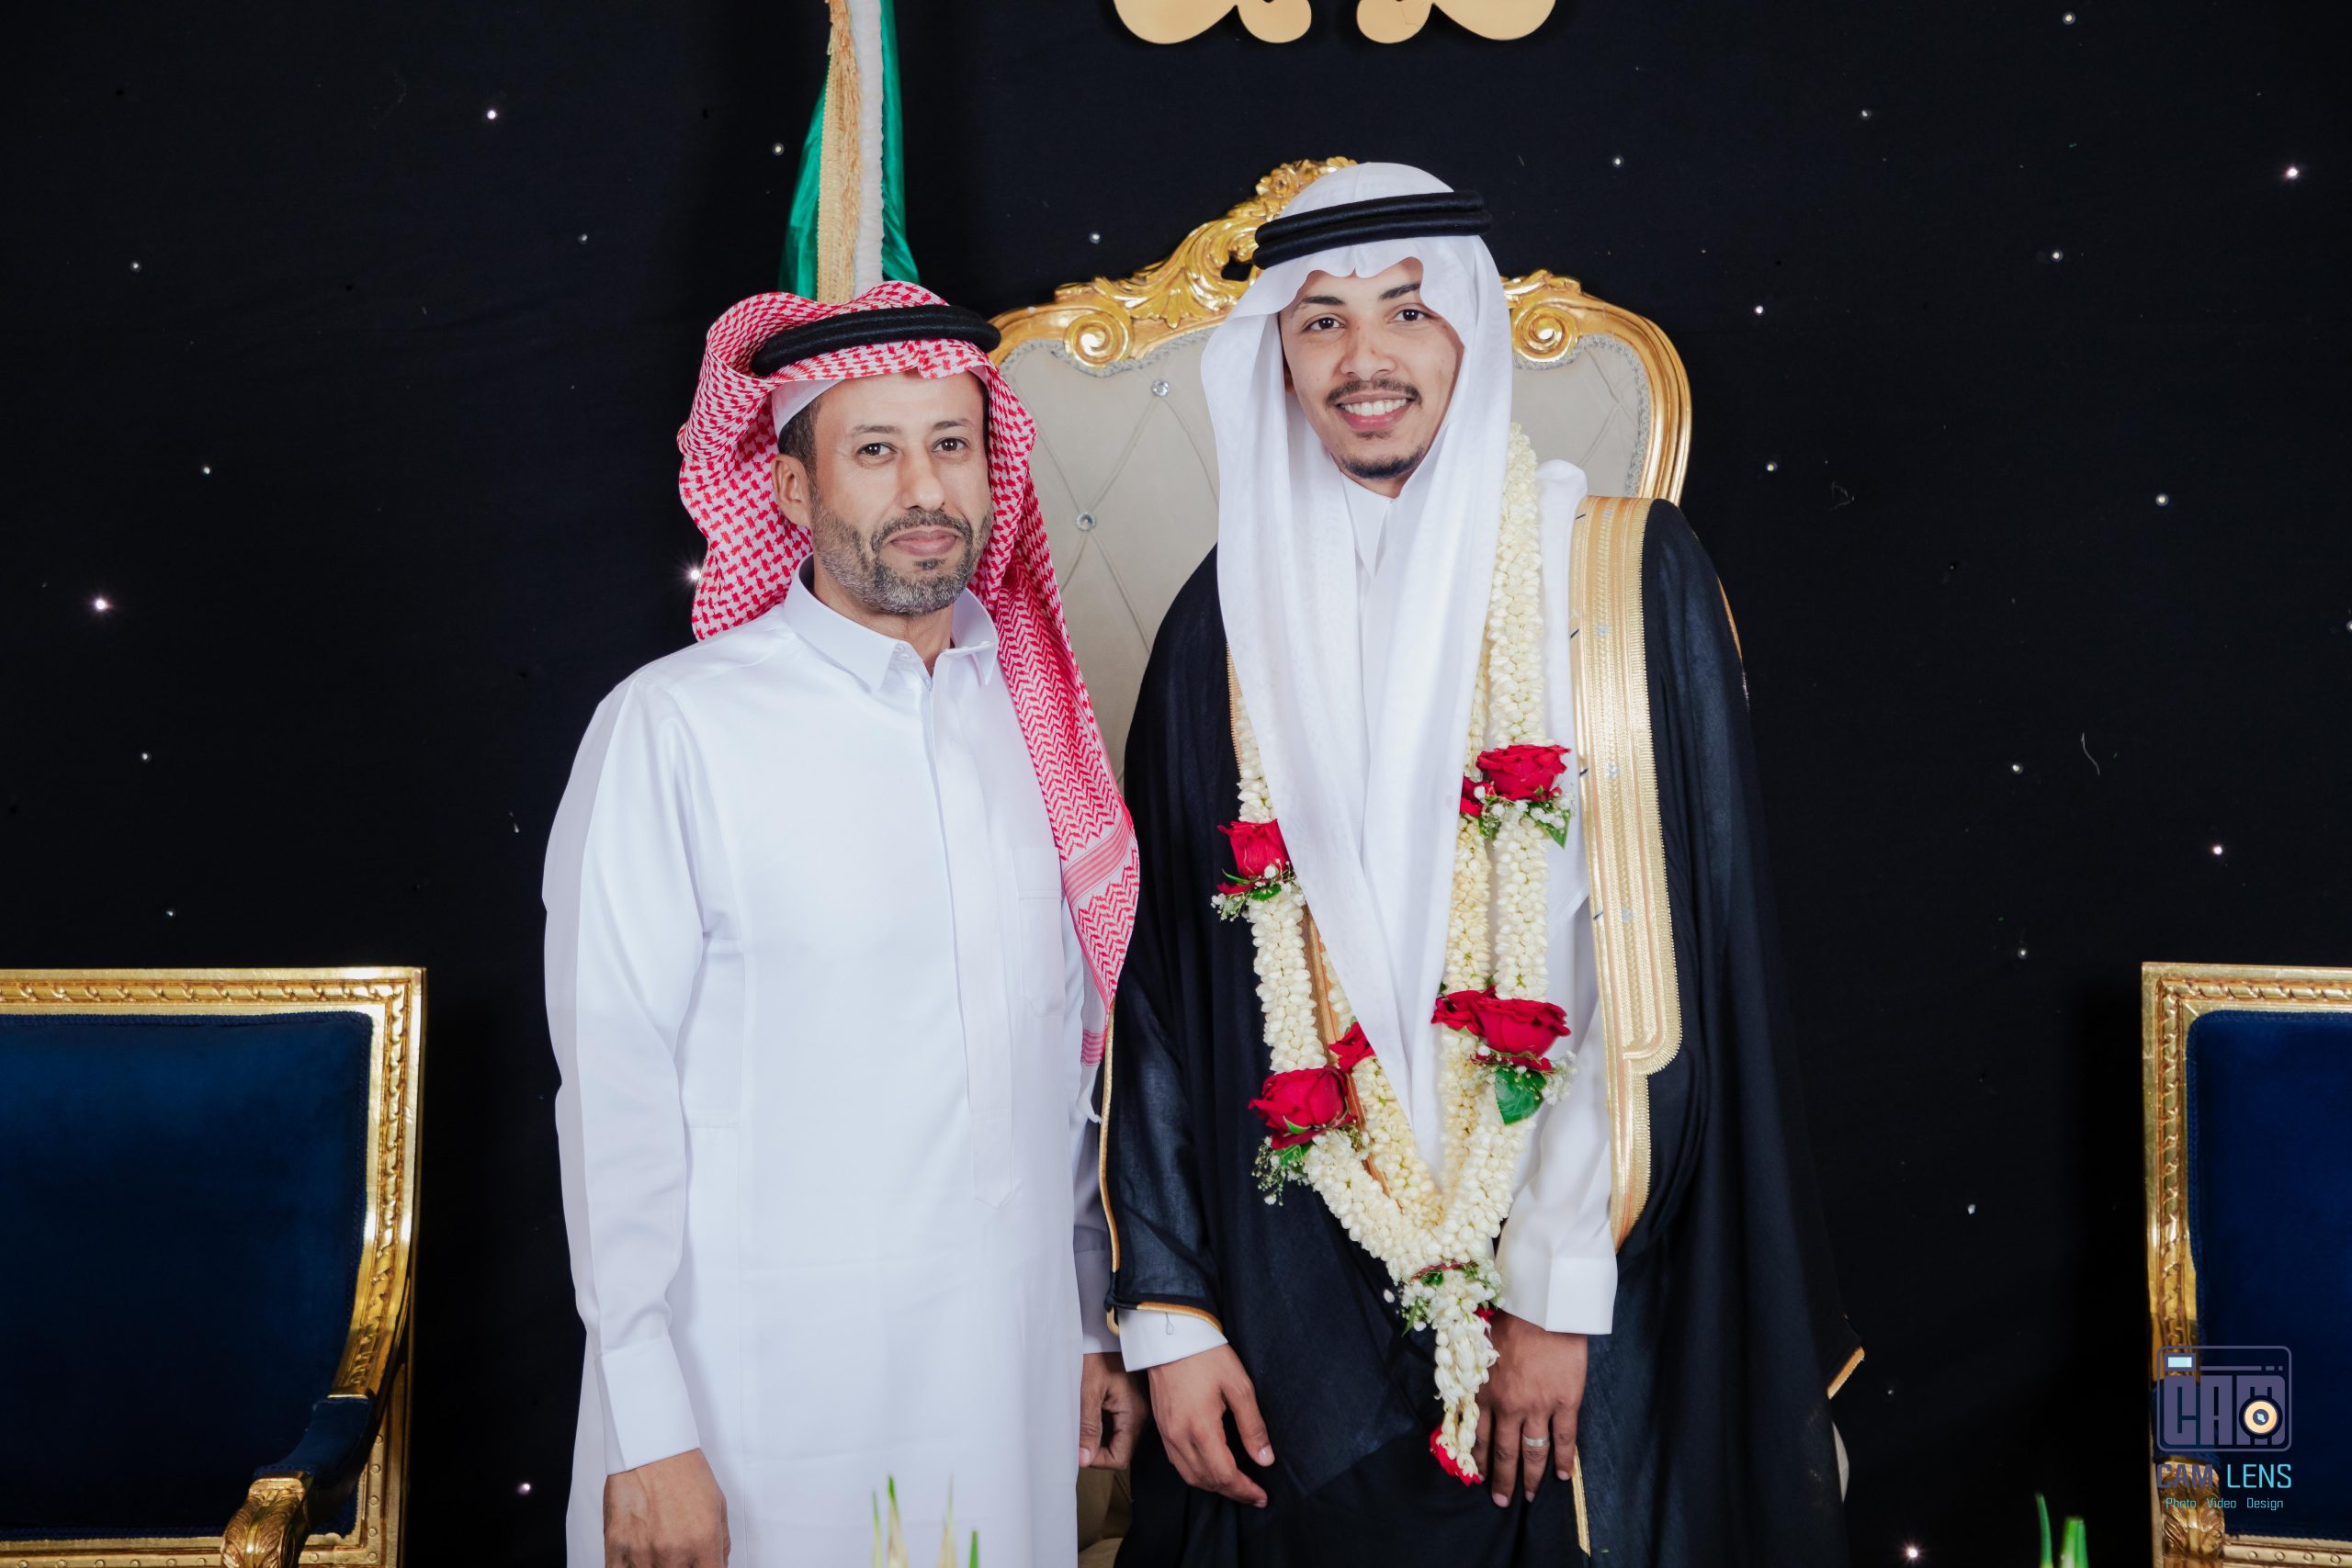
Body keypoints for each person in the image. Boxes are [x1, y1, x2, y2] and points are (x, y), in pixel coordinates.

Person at [1102, 163, 1861, 1564]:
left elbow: (1662, 971)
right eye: (1320, 321)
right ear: (1277, 353)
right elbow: (1159, 989)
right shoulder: (1222, 626)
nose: (1365, 358)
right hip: (1287, 1291)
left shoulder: (1618, 583)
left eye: (1407, 310)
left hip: (1586, 1280)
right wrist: (1172, 1311)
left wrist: (1560, 1290)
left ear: (1471, 330)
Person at [544, 284, 1148, 1566]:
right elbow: (612, 1094)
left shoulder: (1033, 725)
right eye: (875, 451)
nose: (925, 490)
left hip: (1006, 1373)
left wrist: (1087, 1318)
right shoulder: (677, 727)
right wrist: (646, 1427)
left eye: (951, 444)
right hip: (758, 1398)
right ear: (788, 489)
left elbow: (1061, 1061)